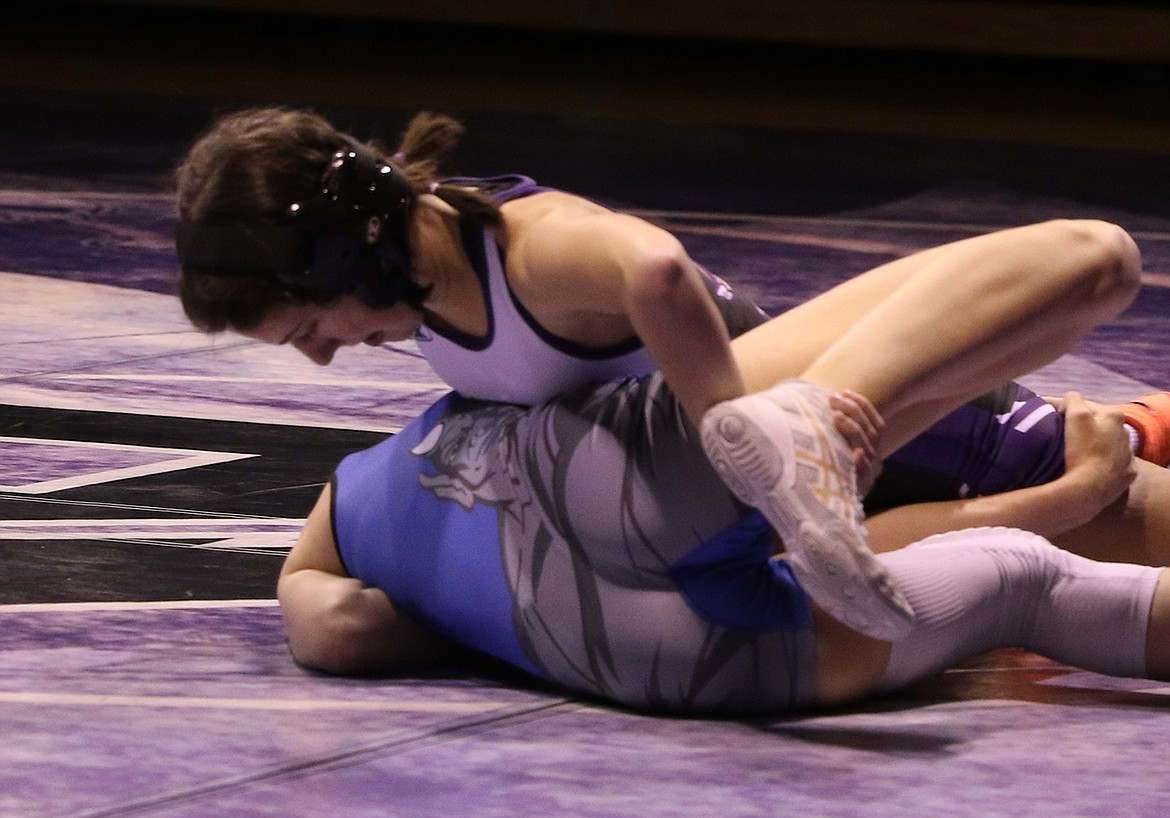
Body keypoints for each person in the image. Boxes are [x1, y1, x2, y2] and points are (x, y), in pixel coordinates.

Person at [175, 107, 1170, 638]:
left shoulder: (527, 250)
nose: (319, 353)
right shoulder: (434, 285)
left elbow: (654, 265)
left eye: (309, 323)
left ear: (346, 258)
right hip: (867, 482)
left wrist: (743, 431)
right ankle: (1135, 431)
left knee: (1096, 264)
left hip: (951, 447)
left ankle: (811, 426)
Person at [276, 375, 1170, 716]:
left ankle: (1123, 432)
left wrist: (465, 610)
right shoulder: (390, 492)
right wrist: (1069, 491)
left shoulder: (371, 507)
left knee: (1042, 530)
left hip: (794, 425)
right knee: (1044, 527)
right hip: (774, 445)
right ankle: (1120, 434)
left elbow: (333, 623)